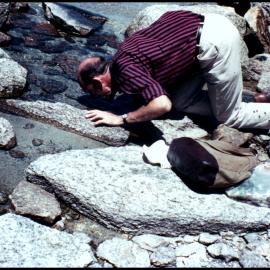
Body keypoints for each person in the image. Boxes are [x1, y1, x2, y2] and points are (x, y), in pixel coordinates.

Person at [77, 9, 270, 130]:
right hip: (205, 26)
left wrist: (123, 119)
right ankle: (249, 103)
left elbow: (162, 105)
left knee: (228, 117)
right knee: (180, 102)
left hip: (215, 41)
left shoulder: (125, 69)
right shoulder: (124, 52)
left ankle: (245, 109)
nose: (97, 98)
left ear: (98, 81)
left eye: (92, 92)